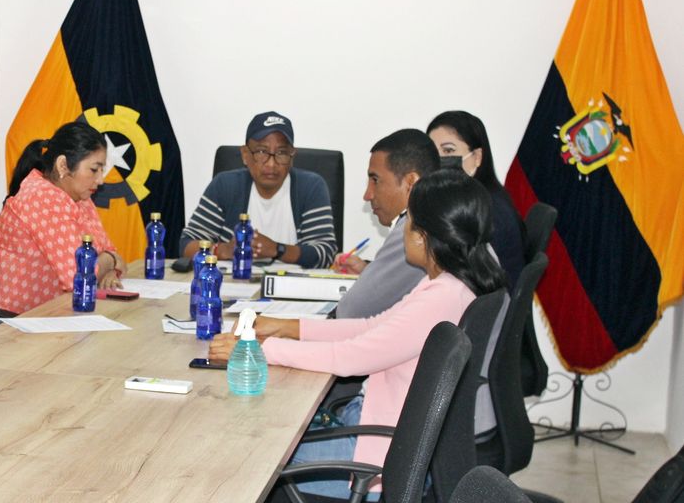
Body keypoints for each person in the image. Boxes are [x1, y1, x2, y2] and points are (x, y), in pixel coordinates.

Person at [209, 169, 507, 499]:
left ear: (422, 236)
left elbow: (351, 358)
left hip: (374, 458)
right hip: (378, 433)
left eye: (408, 222)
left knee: (246, 450)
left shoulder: (441, 298)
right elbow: (371, 328)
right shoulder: (450, 284)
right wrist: (288, 327)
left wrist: (258, 350)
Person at [0, 121, 126, 330]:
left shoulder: (80, 197)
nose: (100, 180)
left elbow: (108, 251)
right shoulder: (41, 198)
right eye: (94, 169)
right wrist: (110, 261)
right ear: (63, 165)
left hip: (47, 315)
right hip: (6, 322)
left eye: (102, 170)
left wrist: (107, 264)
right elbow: (78, 277)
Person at [179, 111, 337, 268]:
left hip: (292, 283)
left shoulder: (310, 187)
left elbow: (326, 253)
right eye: (261, 152)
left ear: (292, 157)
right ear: (245, 155)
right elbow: (186, 245)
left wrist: (277, 250)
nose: (271, 164)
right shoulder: (225, 185)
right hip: (232, 281)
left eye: (281, 153)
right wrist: (223, 250)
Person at [332, 129, 439, 318]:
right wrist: (369, 271)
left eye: (375, 180)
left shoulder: (417, 230)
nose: (367, 195)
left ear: (411, 182)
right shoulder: (439, 218)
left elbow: (351, 312)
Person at [427, 110, 526, 289]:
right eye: (433, 153)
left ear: (477, 157)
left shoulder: (488, 212)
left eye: (448, 150)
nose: (439, 160)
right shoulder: (475, 200)